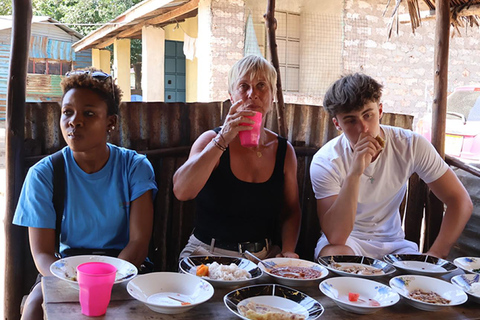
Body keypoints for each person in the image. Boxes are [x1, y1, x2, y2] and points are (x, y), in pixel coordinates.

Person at [13, 68, 157, 320]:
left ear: (110, 122)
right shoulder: (44, 174)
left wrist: (107, 280)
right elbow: (43, 253)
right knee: (34, 307)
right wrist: (75, 281)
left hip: (125, 266)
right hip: (67, 268)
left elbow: (138, 243)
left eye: (89, 114)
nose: (74, 121)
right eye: (68, 112)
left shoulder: (134, 167)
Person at [310, 73, 472, 260]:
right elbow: (336, 236)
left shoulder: (410, 144)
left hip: (394, 245)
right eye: (351, 120)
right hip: (348, 242)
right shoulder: (326, 161)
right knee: (336, 258)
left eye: (367, 115)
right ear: (337, 124)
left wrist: (436, 253)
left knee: (416, 280)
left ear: (380, 111)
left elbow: (460, 200)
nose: (363, 128)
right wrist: (355, 173)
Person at [173, 55, 301, 260]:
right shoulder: (211, 140)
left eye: (261, 85)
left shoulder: (283, 151)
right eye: (244, 86)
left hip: (262, 256)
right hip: (206, 252)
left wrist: (287, 251)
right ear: (232, 96)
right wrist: (223, 138)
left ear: (272, 96)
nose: (253, 94)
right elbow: (182, 191)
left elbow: (291, 210)